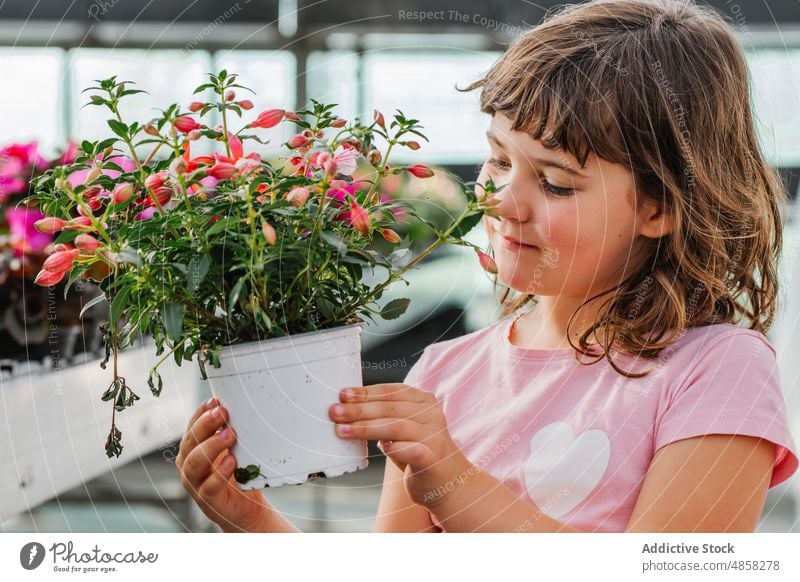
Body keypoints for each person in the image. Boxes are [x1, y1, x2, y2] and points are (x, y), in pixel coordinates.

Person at [176, 0, 798, 532]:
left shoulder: (718, 374)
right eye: (498, 161)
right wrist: (249, 518)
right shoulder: (441, 376)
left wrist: (453, 481)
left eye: (555, 183)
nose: (500, 200)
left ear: (660, 207)